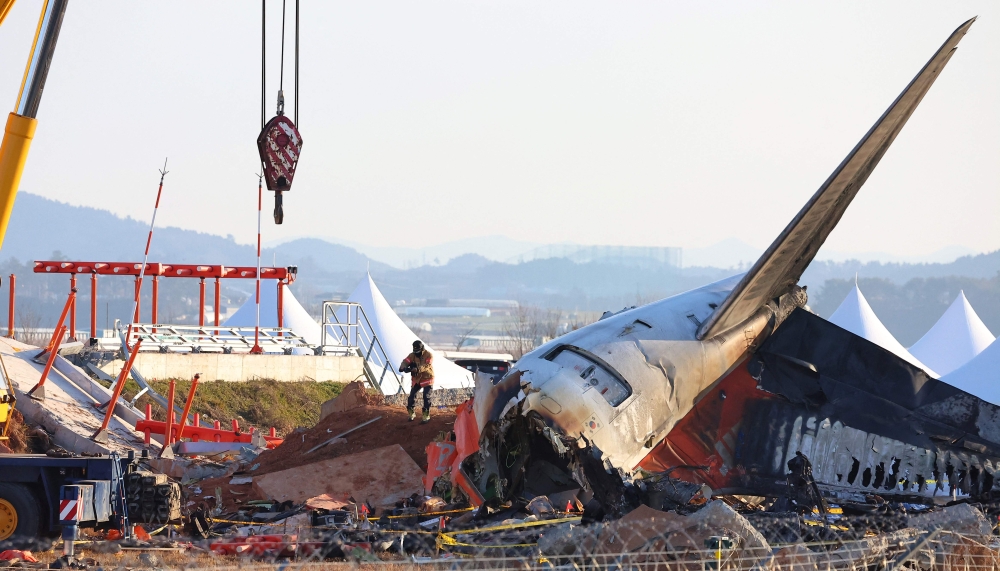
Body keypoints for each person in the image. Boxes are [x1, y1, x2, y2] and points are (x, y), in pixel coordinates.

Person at [400, 340, 434, 423]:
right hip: (417, 379)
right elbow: (405, 361)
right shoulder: (412, 355)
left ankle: (426, 415)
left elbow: (426, 365)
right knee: (411, 396)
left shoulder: (428, 355)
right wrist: (403, 367)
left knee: (426, 396)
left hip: (427, 379)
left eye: (418, 351)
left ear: (422, 348)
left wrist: (417, 369)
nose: (416, 353)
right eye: (415, 351)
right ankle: (411, 413)